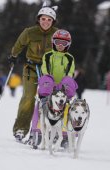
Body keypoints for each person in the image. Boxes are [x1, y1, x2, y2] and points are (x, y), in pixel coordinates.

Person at [8, 3, 59, 141]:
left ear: (53, 21)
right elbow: (19, 44)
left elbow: (62, 49)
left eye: (49, 20)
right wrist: (14, 56)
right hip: (31, 69)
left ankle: (48, 130)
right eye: (43, 19)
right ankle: (20, 129)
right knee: (28, 99)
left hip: (48, 71)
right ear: (38, 19)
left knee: (48, 100)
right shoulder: (29, 32)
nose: (46, 22)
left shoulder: (57, 33)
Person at [40, 29, 78, 147]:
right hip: (49, 85)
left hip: (62, 88)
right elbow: (44, 69)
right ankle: (45, 101)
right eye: (58, 42)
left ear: (68, 44)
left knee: (69, 80)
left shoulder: (70, 58)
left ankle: (66, 133)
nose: (60, 45)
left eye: (64, 43)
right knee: (46, 79)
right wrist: (50, 82)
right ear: (53, 42)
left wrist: (62, 86)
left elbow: (70, 72)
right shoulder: (48, 55)